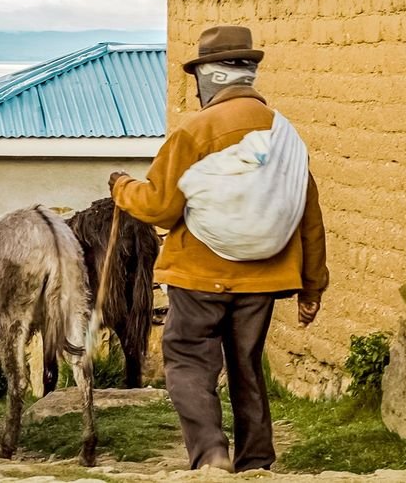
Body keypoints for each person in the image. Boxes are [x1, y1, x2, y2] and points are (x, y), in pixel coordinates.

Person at [108, 25, 328, 473]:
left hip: (199, 277)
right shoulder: (285, 136)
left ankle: (211, 453)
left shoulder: (195, 132)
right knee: (247, 365)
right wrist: (312, 288)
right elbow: (308, 215)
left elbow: (161, 208)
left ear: (209, 77)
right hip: (264, 277)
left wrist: (122, 187)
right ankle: (257, 461)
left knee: (189, 361)